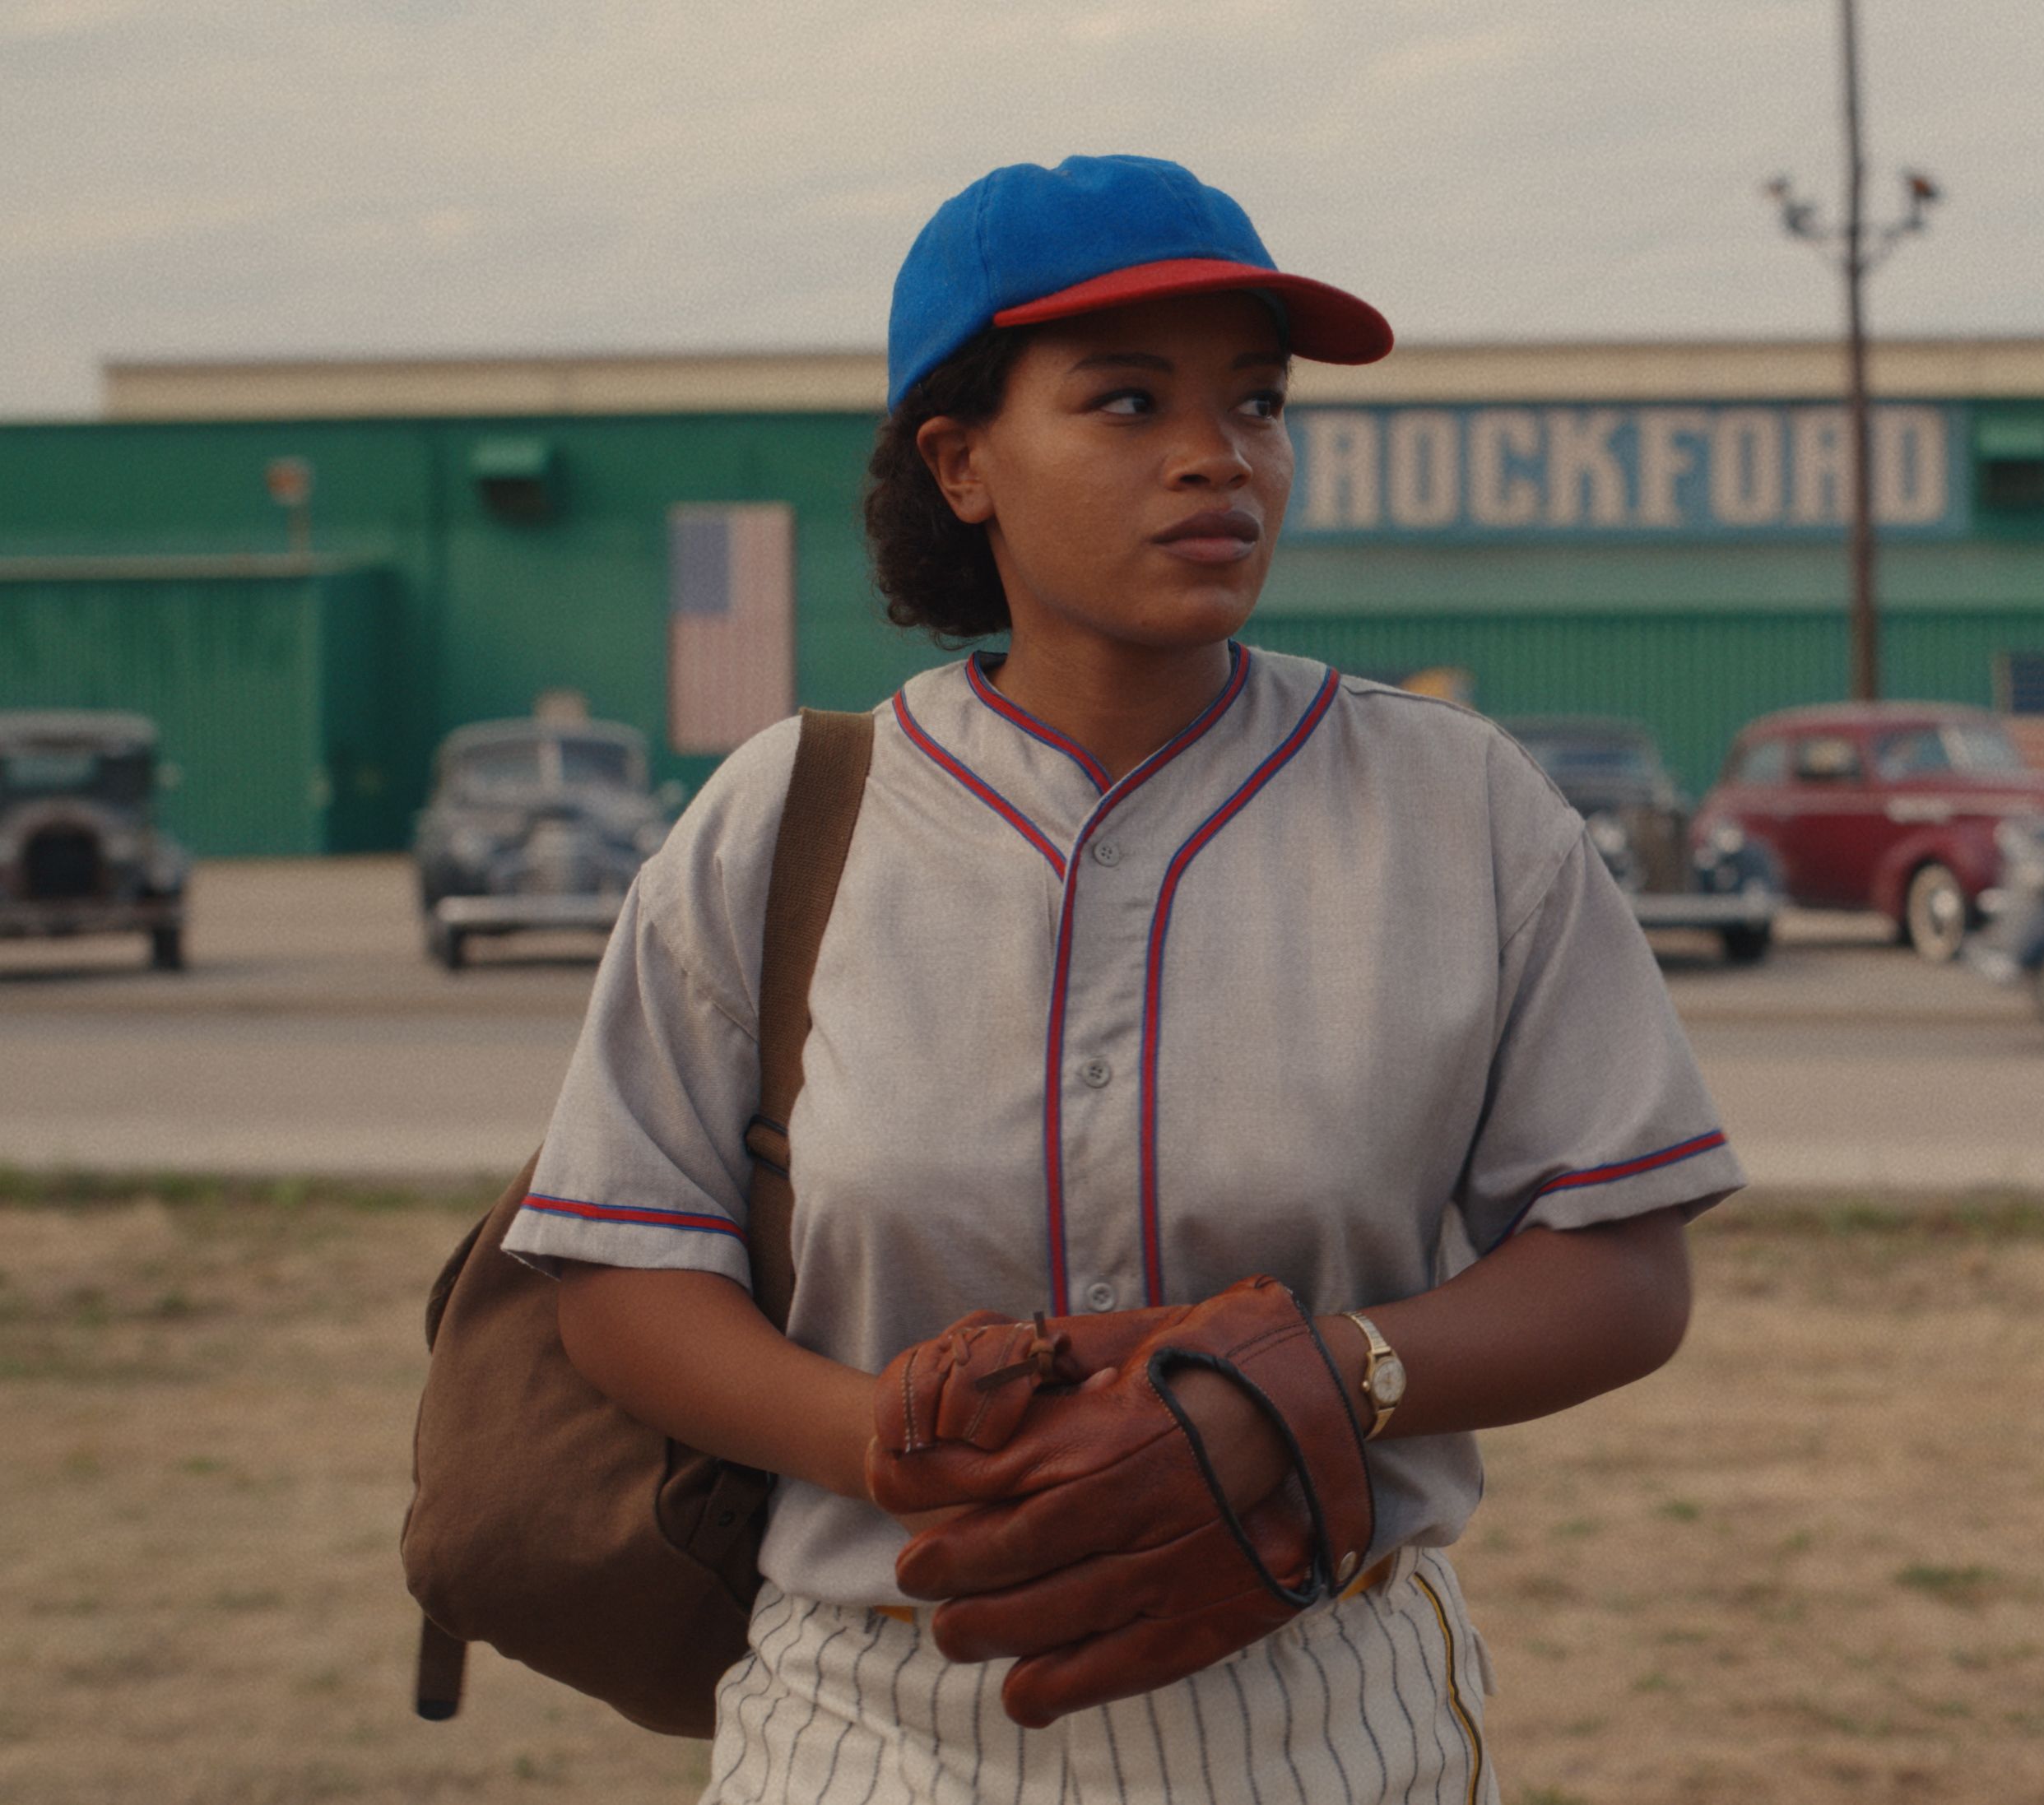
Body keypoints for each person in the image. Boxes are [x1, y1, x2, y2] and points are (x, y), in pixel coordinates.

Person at [503, 154, 1744, 1800]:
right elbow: (623, 1276)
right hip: (874, 1703)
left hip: (1320, 1697)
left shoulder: (1456, 803)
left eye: (1256, 400)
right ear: (960, 461)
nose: (1215, 455)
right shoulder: (789, 816)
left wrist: (1329, 1371)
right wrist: (892, 1437)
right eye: (1126, 399)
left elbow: (1626, 1263)